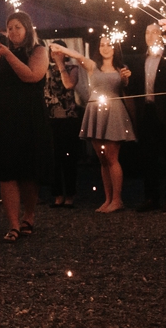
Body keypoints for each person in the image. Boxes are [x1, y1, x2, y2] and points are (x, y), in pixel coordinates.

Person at [0, 11, 51, 243]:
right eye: (9, 28)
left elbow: (31, 75)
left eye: (17, 28)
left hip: (29, 114)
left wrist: (7, 53)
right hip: (4, 115)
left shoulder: (38, 50)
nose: (12, 32)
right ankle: (13, 224)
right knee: (6, 172)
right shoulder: (1, 54)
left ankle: (28, 217)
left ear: (28, 29)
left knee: (28, 172)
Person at [53, 37, 134, 213]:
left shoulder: (122, 68)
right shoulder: (92, 66)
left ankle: (117, 200)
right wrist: (61, 49)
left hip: (113, 113)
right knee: (103, 159)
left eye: (109, 44)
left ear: (115, 48)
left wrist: (126, 79)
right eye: (102, 44)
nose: (105, 47)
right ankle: (108, 199)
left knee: (112, 158)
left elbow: (126, 86)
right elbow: (77, 55)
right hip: (96, 111)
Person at [128, 24, 166, 212]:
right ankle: (151, 198)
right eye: (147, 32)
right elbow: (135, 90)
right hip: (147, 112)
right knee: (148, 156)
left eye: (155, 32)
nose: (151, 35)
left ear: (163, 36)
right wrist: (127, 80)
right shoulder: (140, 61)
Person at [44, 41, 81, 209]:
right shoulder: (44, 69)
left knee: (69, 158)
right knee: (53, 159)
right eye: (52, 51)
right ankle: (57, 195)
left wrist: (60, 64)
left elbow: (68, 84)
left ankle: (70, 195)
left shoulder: (73, 68)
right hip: (50, 118)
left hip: (68, 118)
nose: (55, 54)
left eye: (58, 51)